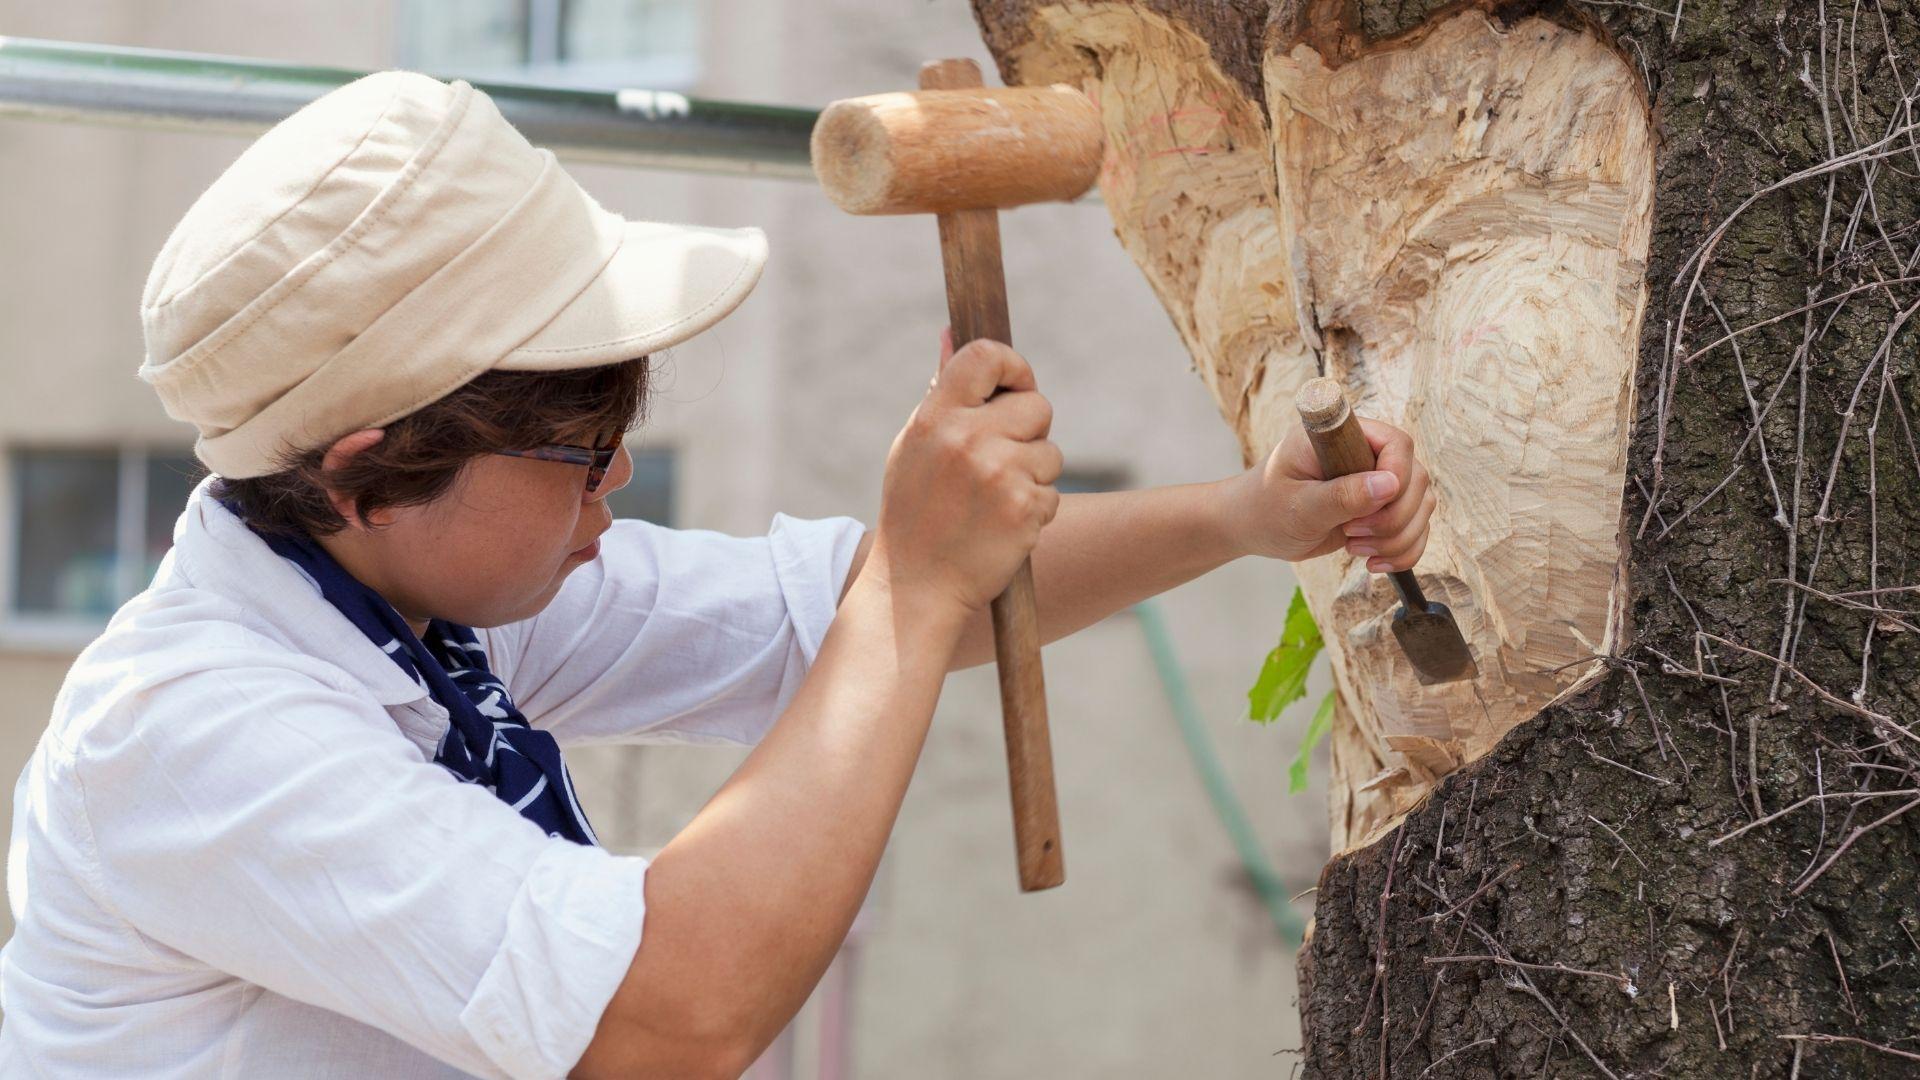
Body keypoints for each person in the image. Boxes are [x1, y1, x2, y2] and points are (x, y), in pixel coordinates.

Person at [0, 71, 1433, 1079]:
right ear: (370, 469)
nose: (618, 477)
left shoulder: (411, 606)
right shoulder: (197, 736)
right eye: (581, 450)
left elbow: (841, 608)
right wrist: (917, 582)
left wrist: (1246, 517)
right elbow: (668, 1016)